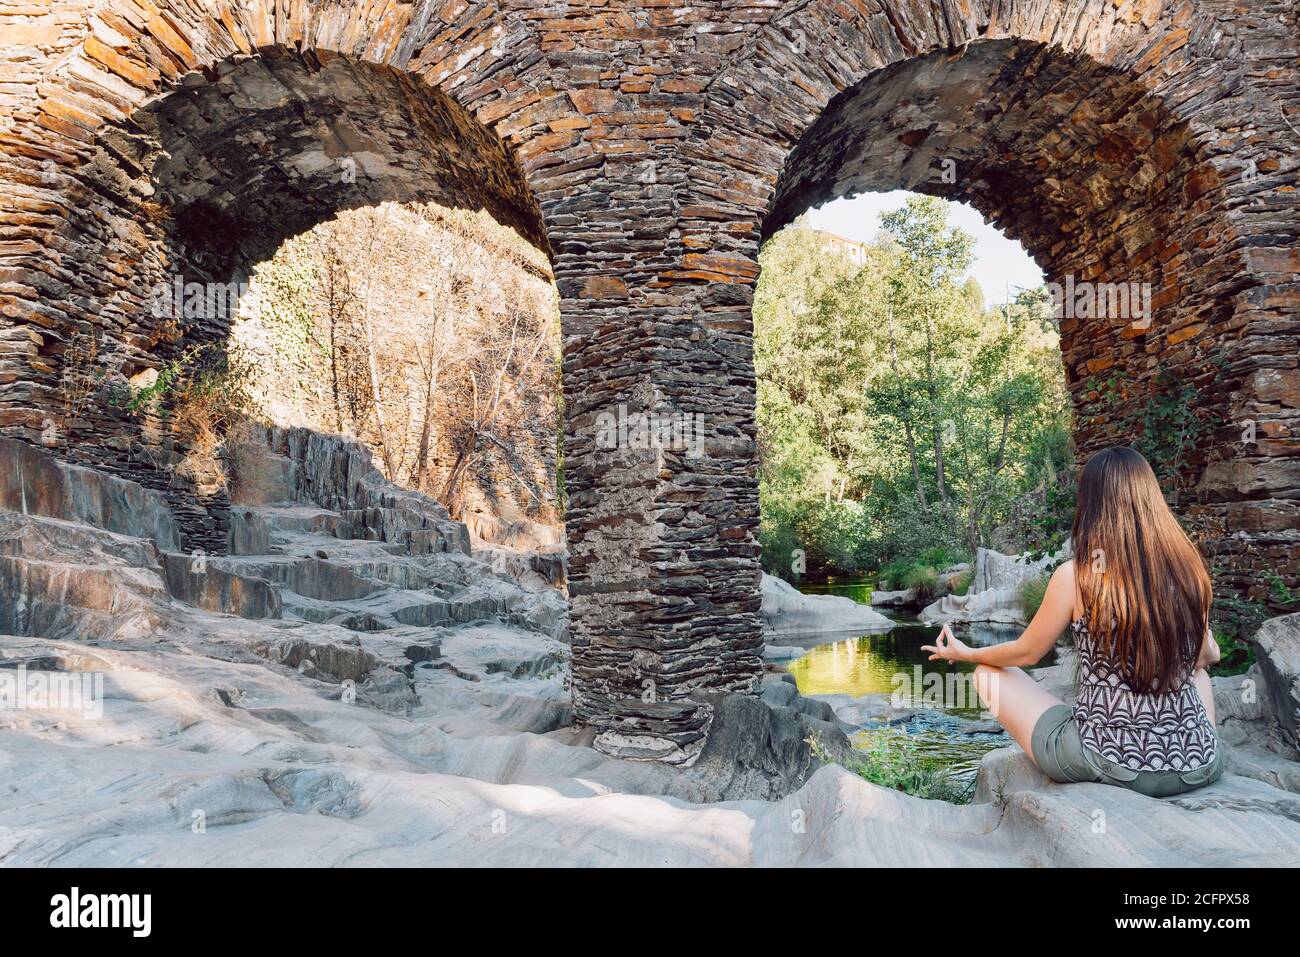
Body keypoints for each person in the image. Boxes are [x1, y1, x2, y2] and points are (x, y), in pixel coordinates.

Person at [921, 446, 1224, 798]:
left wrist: (965, 653)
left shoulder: (1077, 575)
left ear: (1093, 505)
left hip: (1106, 759)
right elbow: (1202, 658)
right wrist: (1209, 648)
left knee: (988, 673)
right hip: (1199, 765)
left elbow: (1027, 653)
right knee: (1198, 675)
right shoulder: (1190, 571)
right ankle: (1185, 746)